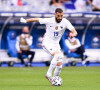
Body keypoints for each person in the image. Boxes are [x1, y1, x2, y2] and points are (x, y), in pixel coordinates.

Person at [20, 8, 77, 85]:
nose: (60, 17)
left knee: (59, 66)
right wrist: (26, 21)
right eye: (58, 16)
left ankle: (53, 81)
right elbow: (36, 19)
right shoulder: (49, 20)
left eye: (61, 16)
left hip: (56, 44)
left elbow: (74, 31)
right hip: (47, 43)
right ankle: (48, 74)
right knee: (57, 55)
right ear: (55, 14)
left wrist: (72, 34)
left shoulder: (65, 22)